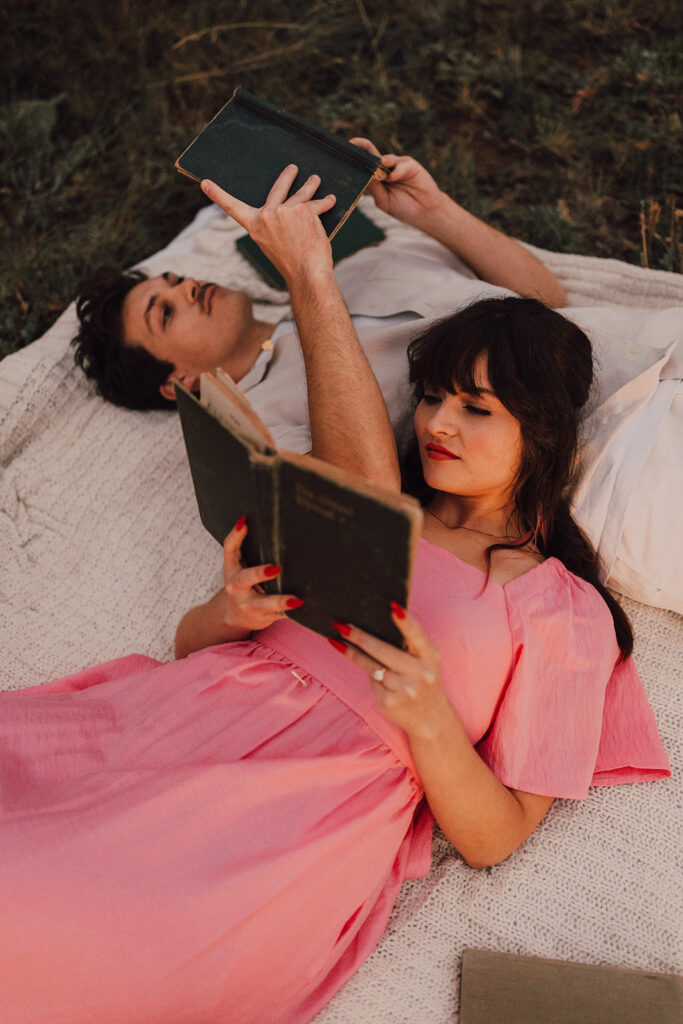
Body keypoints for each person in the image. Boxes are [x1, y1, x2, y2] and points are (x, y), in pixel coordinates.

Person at [0, 169, 670, 1024]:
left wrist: (427, 714)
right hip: (177, 720)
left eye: (475, 408)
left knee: (61, 929)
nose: (436, 424)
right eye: (431, 398)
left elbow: (495, 836)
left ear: (540, 430)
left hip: (298, 808)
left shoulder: (555, 604)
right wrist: (226, 614)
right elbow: (196, 650)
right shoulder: (348, 506)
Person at [71, 141, 566, 451]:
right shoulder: (263, 430)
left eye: (176, 280)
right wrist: (307, 276)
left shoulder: (355, 264)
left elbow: (546, 299)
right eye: (166, 312)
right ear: (179, 381)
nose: (189, 288)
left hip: (627, 341)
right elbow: (368, 491)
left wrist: (433, 212)